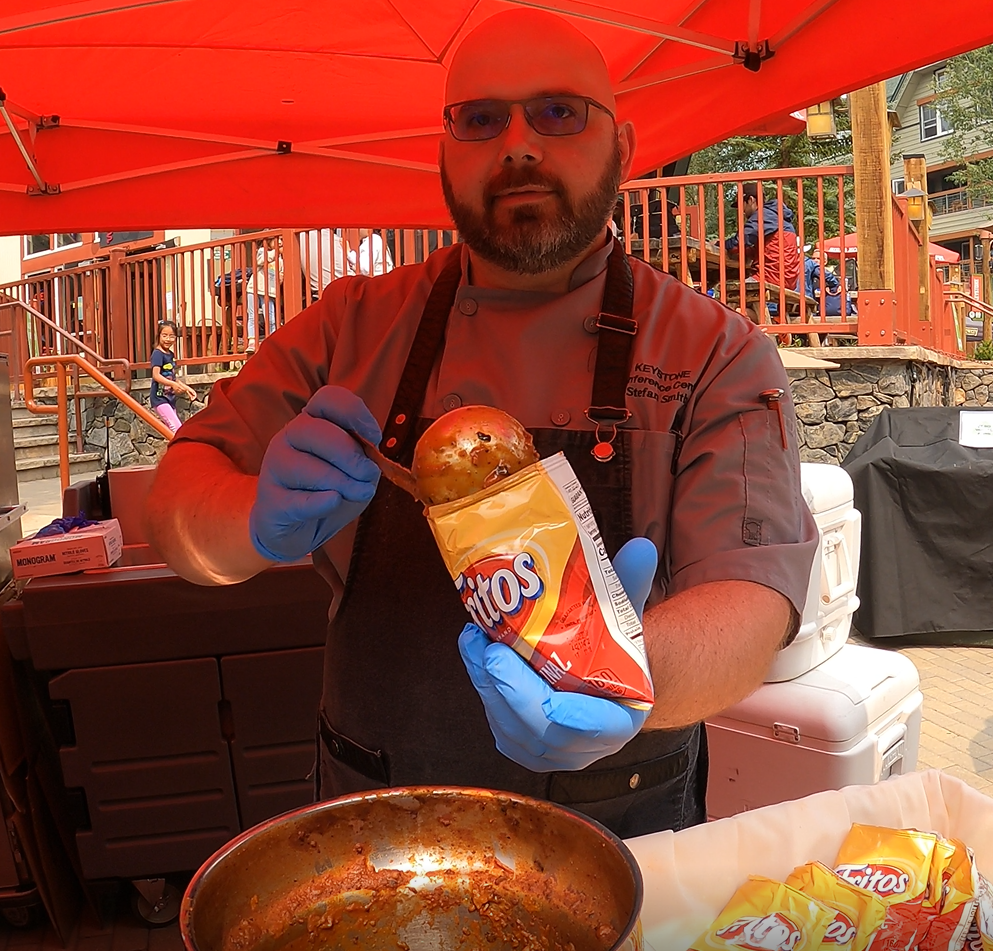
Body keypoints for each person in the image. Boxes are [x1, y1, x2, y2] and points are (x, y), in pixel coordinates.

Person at [145, 9, 817, 840]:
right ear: (444, 153)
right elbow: (178, 507)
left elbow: (751, 602)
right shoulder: (348, 329)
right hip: (379, 814)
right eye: (480, 118)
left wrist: (623, 678)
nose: (520, 144)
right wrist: (245, 524)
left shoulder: (716, 352)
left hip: (619, 828)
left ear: (624, 148)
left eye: (559, 112)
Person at [725, 183, 801, 299]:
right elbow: (764, 249)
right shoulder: (776, 217)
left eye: (742, 205)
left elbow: (737, 243)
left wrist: (718, 244)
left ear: (751, 200)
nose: (742, 211)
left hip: (770, 277)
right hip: (788, 280)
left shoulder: (762, 215)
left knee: (730, 294)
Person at [149, 321, 197, 434]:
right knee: (177, 430)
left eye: (171, 336)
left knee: (171, 431)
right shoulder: (157, 354)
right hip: (159, 399)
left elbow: (172, 377)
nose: (167, 339)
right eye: (164, 335)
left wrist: (187, 389)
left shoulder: (170, 354)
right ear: (159, 336)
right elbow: (156, 375)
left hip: (170, 398)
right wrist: (173, 385)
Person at [245, 238, 283, 347]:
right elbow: (260, 261)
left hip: (269, 291)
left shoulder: (281, 259)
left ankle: (273, 339)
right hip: (255, 288)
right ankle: (252, 341)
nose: (280, 242)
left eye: (281, 240)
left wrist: (281, 277)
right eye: (277, 240)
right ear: (269, 242)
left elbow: (281, 274)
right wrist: (275, 252)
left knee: (270, 317)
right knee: (253, 315)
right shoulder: (263, 251)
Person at [300, 229, 352, 300]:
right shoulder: (334, 241)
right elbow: (349, 276)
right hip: (338, 297)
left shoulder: (301, 237)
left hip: (317, 296)